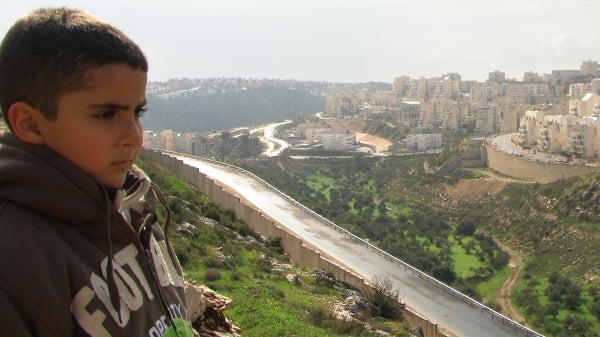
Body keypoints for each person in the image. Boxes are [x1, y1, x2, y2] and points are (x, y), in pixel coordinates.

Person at [0, 7, 196, 337]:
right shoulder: (16, 263)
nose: (134, 137)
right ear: (30, 124)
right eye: (106, 115)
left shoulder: (132, 205)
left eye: (137, 112)